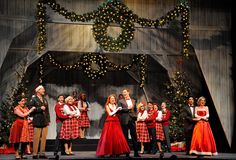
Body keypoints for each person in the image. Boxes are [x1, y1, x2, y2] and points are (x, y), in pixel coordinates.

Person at [29, 85, 50, 159]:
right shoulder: (33, 99)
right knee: (36, 138)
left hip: (44, 120)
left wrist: (48, 120)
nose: (44, 90)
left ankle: (42, 153)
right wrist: (39, 108)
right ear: (38, 91)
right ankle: (34, 154)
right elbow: (30, 110)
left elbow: (47, 111)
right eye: (42, 89)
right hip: (37, 120)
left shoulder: (44, 99)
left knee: (44, 137)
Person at [117, 89, 140, 157]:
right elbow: (119, 110)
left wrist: (135, 116)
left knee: (134, 136)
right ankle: (127, 153)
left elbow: (135, 109)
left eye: (125, 92)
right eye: (123, 92)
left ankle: (136, 152)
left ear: (128, 92)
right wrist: (127, 108)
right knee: (125, 136)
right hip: (124, 120)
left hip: (132, 120)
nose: (124, 93)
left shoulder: (133, 100)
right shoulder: (120, 101)